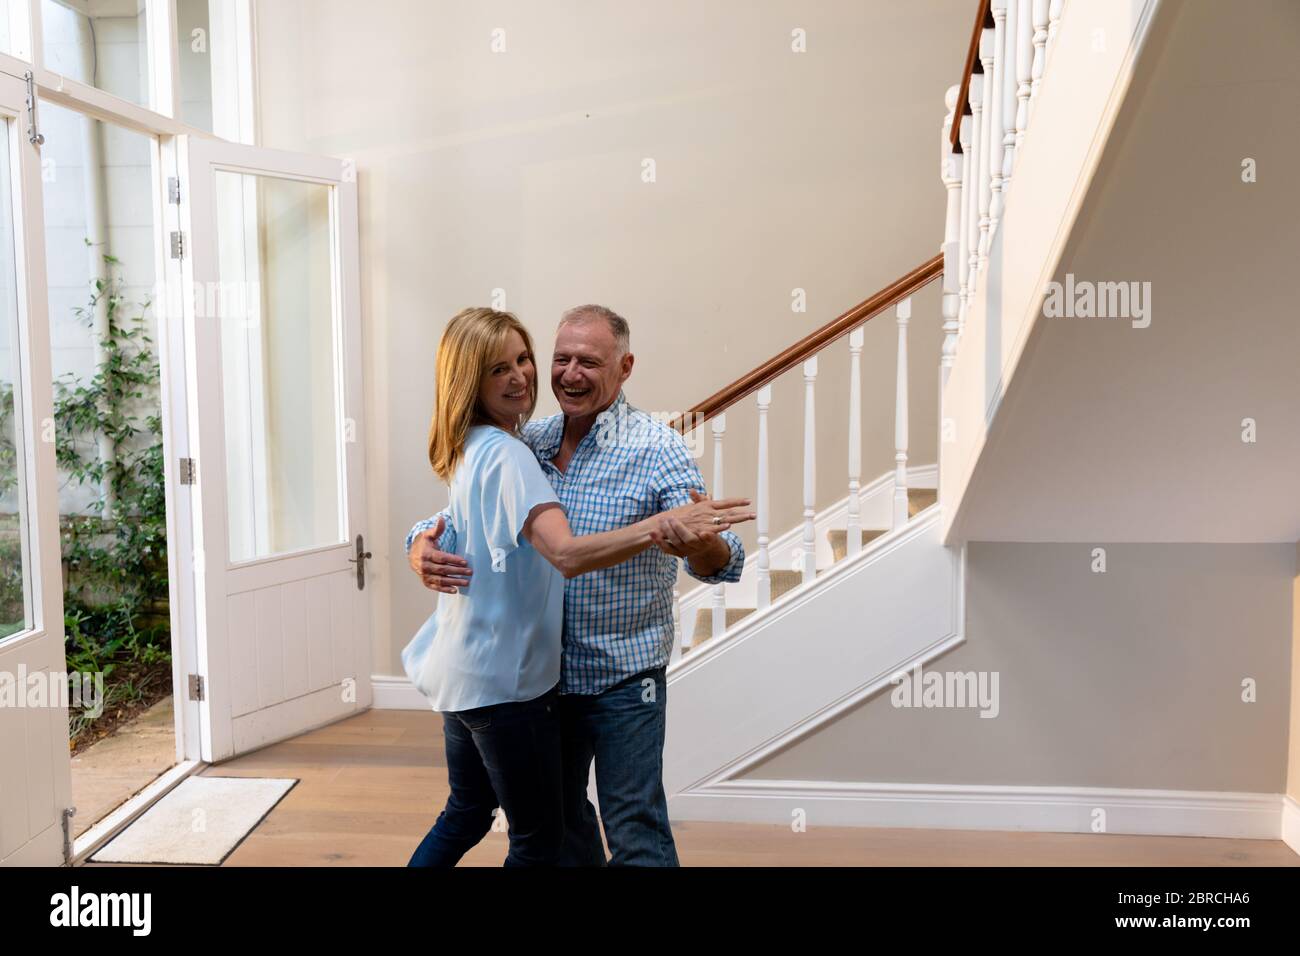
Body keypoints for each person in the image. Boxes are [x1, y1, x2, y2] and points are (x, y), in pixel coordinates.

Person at [403, 307, 752, 867]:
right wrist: (419, 545)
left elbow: (720, 556)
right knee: (561, 822)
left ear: (625, 366)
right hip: (542, 683)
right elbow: (459, 514)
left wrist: (696, 542)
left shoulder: (656, 447)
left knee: (633, 826)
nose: (568, 374)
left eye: (588, 361)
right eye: (560, 359)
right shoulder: (529, 439)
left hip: (621, 677)